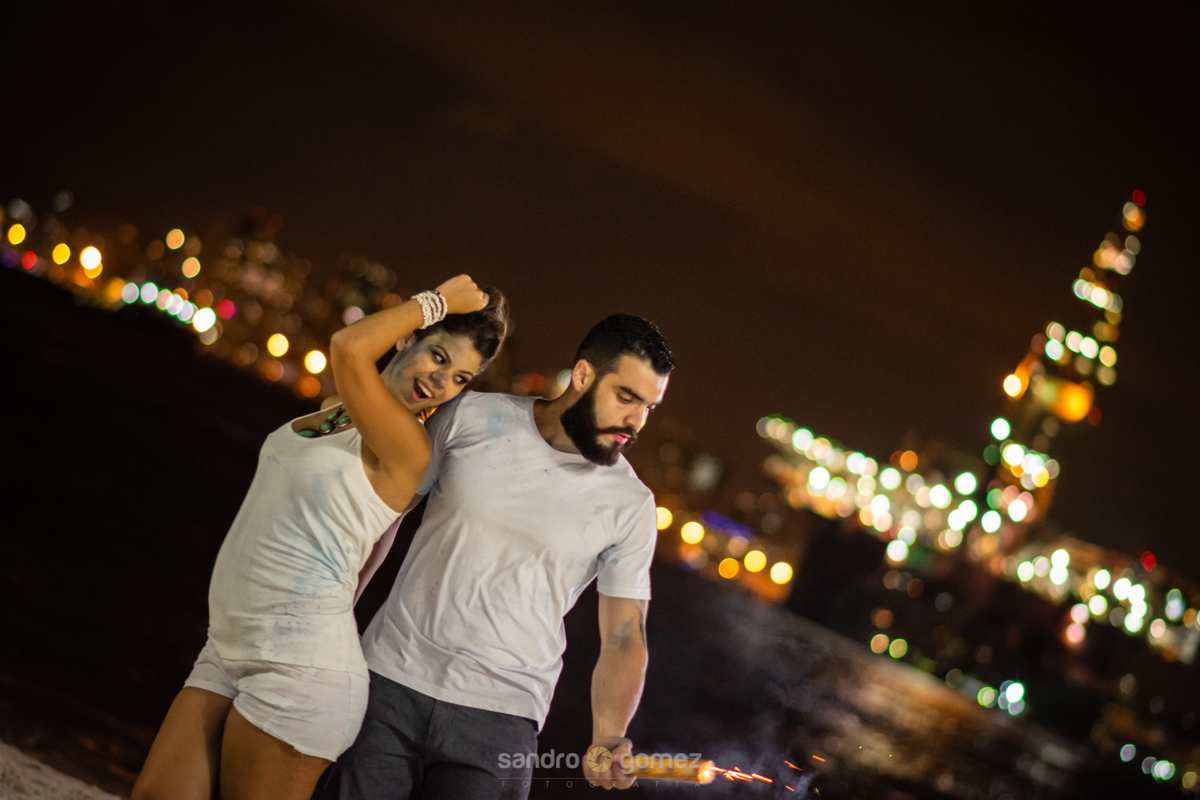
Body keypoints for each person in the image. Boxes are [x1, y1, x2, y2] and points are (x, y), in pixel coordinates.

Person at [132, 276, 508, 800]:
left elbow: (348, 345)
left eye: (460, 377)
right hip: (229, 644)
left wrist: (436, 303)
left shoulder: (408, 448)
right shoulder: (339, 409)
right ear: (406, 339)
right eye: (438, 357)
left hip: (300, 670)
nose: (441, 381)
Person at [317, 314, 675, 800]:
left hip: (501, 720)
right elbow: (383, 521)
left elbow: (623, 633)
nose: (636, 422)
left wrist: (609, 733)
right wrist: (325, 626)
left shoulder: (631, 504)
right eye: (626, 398)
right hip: (388, 681)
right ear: (584, 375)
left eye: (649, 407)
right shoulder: (470, 417)